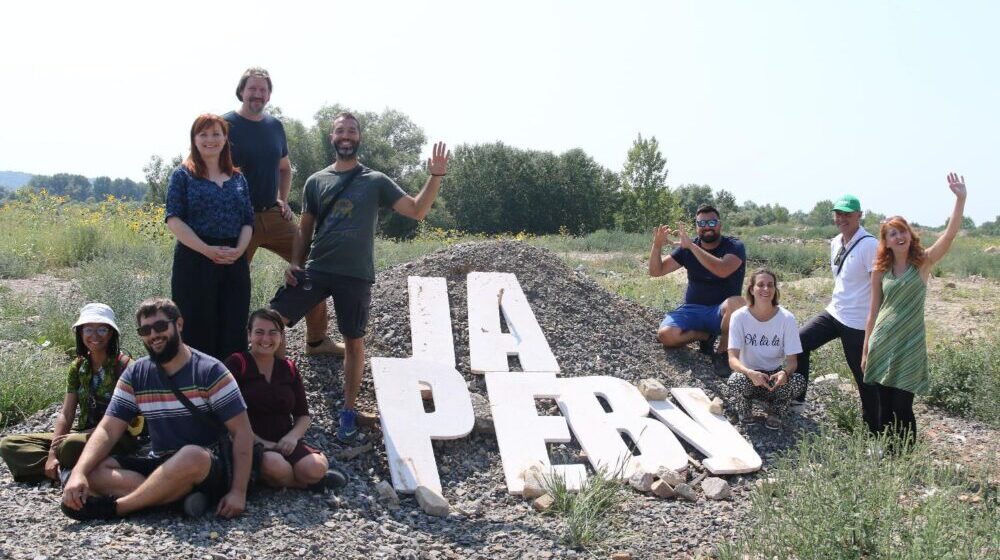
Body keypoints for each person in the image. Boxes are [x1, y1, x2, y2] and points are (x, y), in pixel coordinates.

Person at [270, 112, 450, 443]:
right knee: (272, 321)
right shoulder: (315, 181)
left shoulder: (375, 180)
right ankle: (277, 398)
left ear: (359, 137)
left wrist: (435, 176)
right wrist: (295, 263)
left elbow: (417, 210)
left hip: (355, 275)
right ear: (332, 137)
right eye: (340, 131)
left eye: (352, 131)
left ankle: (348, 411)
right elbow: (304, 230)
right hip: (318, 268)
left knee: (354, 341)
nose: (346, 136)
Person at [60, 298, 254, 520]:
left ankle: (117, 508)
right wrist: (78, 473)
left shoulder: (211, 371)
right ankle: (174, 499)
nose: (154, 334)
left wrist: (238, 492)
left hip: (206, 464)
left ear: (178, 324)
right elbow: (108, 429)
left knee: (192, 455)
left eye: (161, 326)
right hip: (159, 461)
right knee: (93, 471)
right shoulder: (136, 374)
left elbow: (242, 432)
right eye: (146, 330)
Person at [224, 68, 340, 357]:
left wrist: (282, 200)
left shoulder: (275, 126)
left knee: (313, 269)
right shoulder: (225, 125)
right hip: (239, 221)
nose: (258, 95)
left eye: (263, 90)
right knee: (232, 285)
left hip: (274, 217)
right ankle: (232, 348)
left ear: (269, 95)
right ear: (241, 91)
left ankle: (316, 341)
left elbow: (285, 167)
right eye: (252, 89)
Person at [862, 173, 968, 448]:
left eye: (902, 231)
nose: (899, 236)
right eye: (892, 233)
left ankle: (905, 458)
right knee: (884, 407)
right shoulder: (880, 270)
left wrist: (961, 199)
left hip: (910, 344)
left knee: (903, 406)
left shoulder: (923, 263)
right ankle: (888, 457)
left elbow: (950, 233)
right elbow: (873, 312)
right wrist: (865, 350)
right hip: (882, 342)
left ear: (910, 234)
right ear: (885, 240)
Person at [0, 303, 139, 483]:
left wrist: (71, 440)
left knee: (70, 446)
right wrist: (51, 453)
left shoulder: (126, 367)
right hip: (82, 432)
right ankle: (67, 471)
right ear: (80, 333)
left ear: (111, 333)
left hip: (116, 437)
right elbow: (66, 413)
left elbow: (129, 420)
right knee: (10, 445)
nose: (94, 336)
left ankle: (69, 470)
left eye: (102, 330)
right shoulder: (79, 366)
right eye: (88, 330)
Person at [224, 309, 347, 491]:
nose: (266, 339)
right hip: (249, 441)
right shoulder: (237, 364)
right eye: (259, 332)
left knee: (316, 467)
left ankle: (290, 480)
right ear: (249, 334)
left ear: (281, 336)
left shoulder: (288, 368)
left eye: (273, 333)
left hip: (284, 441)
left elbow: (302, 415)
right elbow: (229, 416)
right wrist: (263, 443)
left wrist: (292, 437)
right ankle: (307, 484)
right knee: (275, 465)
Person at [166, 113, 254, 361]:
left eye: (216, 133)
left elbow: (248, 220)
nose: (210, 139)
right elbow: (174, 219)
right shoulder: (182, 175)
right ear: (194, 139)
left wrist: (238, 251)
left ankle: (229, 390)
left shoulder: (238, 178)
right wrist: (207, 250)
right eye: (203, 134)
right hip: (195, 259)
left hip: (233, 259)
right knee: (196, 325)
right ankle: (195, 390)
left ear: (225, 138)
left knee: (233, 325)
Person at [796, 194, 880, 433]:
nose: (842, 218)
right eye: (838, 214)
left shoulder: (869, 245)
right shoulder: (835, 242)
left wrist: (871, 326)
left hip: (857, 322)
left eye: (847, 214)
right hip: (835, 313)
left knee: (863, 376)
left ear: (859, 215)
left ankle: (874, 431)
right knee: (798, 342)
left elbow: (877, 288)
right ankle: (797, 399)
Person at [649, 203, 747, 372]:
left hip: (722, 314)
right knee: (666, 335)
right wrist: (657, 245)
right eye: (701, 223)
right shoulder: (687, 248)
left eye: (711, 222)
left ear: (720, 224)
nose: (707, 227)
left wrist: (692, 247)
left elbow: (722, 270)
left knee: (737, 303)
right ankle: (705, 336)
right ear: (696, 227)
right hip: (692, 309)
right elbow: (656, 271)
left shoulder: (734, 246)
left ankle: (723, 352)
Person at [724, 269, 807, 430]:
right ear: (751, 289)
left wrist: (785, 373)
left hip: (773, 379)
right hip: (749, 375)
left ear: (775, 289)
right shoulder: (739, 317)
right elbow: (732, 358)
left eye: (770, 285)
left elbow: (792, 362)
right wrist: (749, 373)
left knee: (798, 381)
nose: (766, 289)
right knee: (735, 381)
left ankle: (776, 411)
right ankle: (745, 408)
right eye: (760, 285)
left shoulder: (787, 318)